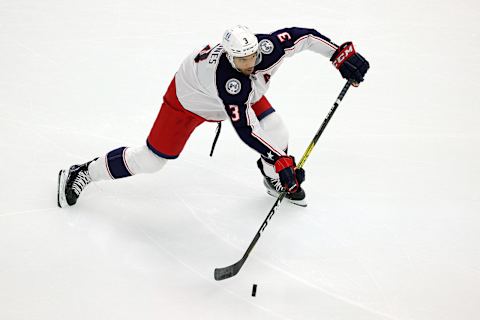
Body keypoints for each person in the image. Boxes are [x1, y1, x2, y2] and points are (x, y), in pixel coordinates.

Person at [57, 25, 369, 208]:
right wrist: (280, 158)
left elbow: (306, 37)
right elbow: (245, 129)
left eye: (250, 57)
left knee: (277, 129)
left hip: (242, 93)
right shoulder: (230, 81)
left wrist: (339, 55)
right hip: (187, 102)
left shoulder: (267, 48)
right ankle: (82, 171)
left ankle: (274, 180)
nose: (247, 62)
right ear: (230, 56)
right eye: (240, 59)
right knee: (151, 161)